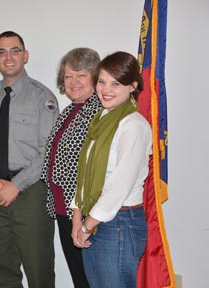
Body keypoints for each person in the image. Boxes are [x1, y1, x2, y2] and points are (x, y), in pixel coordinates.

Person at [0, 31, 58, 288]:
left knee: (38, 264)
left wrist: (16, 185)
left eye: (15, 50)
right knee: (1, 265)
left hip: (29, 191)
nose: (8, 57)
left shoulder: (43, 98)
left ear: (25, 55)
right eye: (1, 52)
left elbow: (48, 150)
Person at [71, 51, 152, 288]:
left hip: (120, 222)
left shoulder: (133, 125)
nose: (106, 89)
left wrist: (88, 225)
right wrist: (78, 217)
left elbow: (119, 185)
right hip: (95, 219)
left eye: (116, 83)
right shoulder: (101, 120)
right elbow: (84, 173)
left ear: (132, 86)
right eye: (102, 81)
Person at [40, 47, 102, 288]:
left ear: (96, 78)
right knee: (80, 277)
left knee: (91, 279)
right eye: (68, 76)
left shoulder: (99, 111)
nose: (73, 82)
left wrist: (82, 218)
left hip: (84, 212)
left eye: (81, 75)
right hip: (63, 208)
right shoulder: (71, 110)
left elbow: (92, 168)